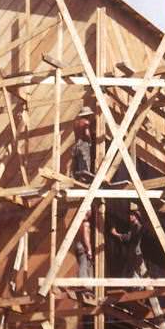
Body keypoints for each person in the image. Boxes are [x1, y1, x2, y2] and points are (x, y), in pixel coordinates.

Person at [70, 105, 96, 279]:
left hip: (82, 179)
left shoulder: (80, 141)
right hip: (84, 179)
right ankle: (86, 285)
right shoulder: (81, 141)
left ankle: (86, 285)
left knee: (84, 264)